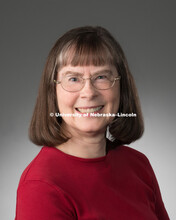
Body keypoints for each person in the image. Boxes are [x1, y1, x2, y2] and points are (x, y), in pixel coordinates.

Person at [14, 26, 170, 220]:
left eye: (101, 77)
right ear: (52, 91)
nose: (89, 92)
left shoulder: (138, 165)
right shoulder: (41, 185)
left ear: (122, 89)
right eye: (73, 79)